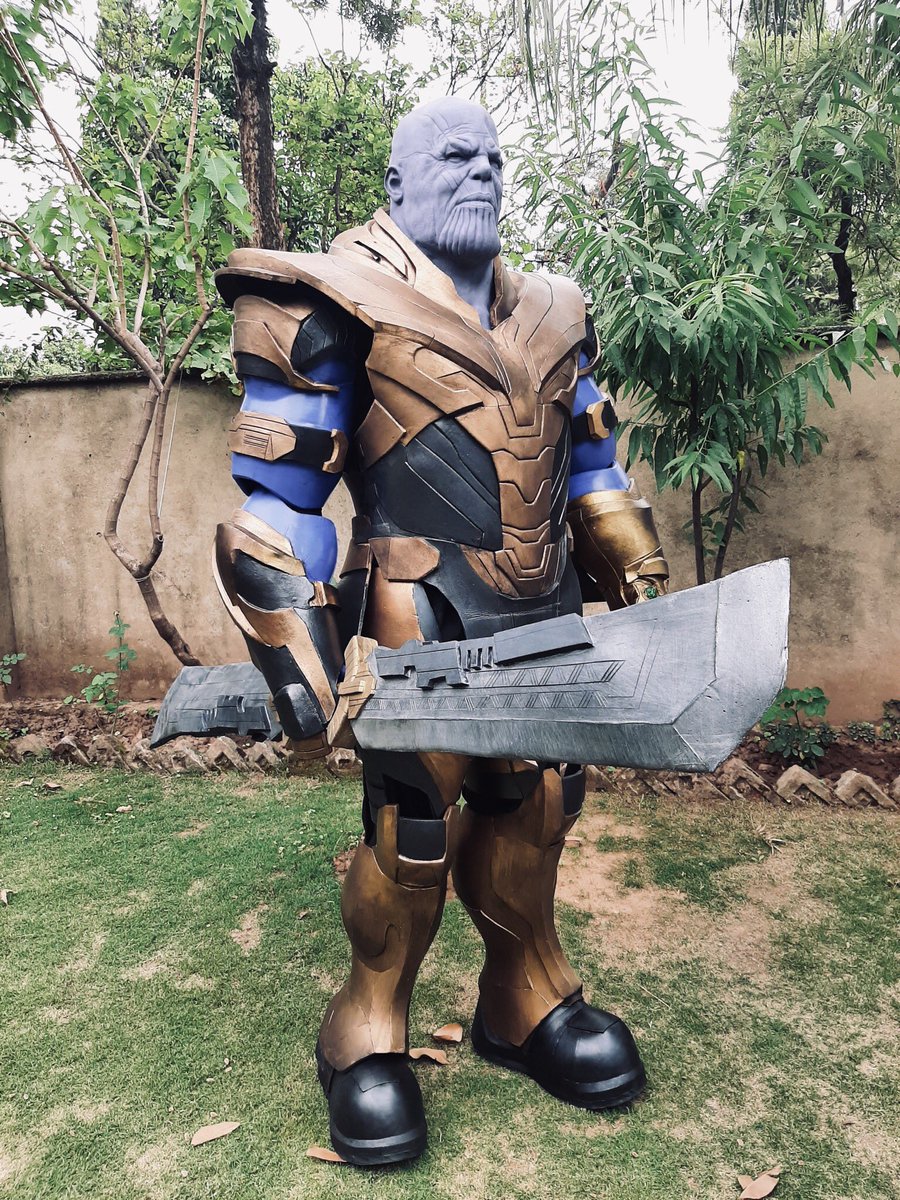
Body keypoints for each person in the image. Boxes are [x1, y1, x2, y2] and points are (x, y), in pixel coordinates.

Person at [213, 96, 669, 1166]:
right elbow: (280, 495)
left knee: (538, 806)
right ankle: (368, 1027)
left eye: (494, 157)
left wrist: (639, 573)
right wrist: (294, 644)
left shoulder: (556, 312)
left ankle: (524, 998)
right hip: (413, 613)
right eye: (455, 155)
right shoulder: (330, 297)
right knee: (411, 828)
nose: (481, 172)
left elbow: (592, 465)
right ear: (397, 185)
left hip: (544, 610)